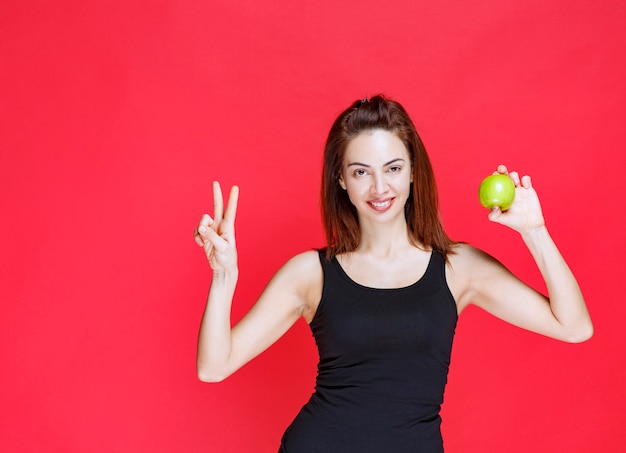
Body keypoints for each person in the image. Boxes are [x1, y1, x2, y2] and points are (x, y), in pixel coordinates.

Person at [193, 95, 593, 452]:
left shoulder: (459, 268)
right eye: (361, 172)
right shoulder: (310, 273)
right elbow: (214, 367)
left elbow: (574, 326)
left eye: (393, 168)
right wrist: (223, 275)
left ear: (413, 171)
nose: (379, 187)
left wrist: (535, 233)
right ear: (342, 180)